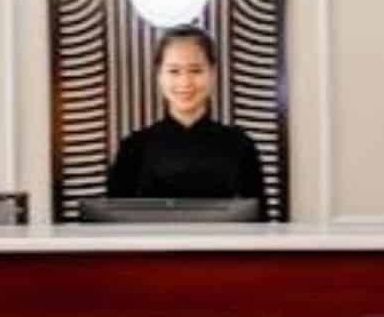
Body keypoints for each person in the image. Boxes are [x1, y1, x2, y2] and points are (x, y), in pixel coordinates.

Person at [106, 25, 265, 209]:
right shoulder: (133, 148)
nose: (185, 82)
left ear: (212, 73)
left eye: (196, 70)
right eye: (174, 71)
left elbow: (259, 220)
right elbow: (113, 222)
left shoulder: (240, 146)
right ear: (159, 75)